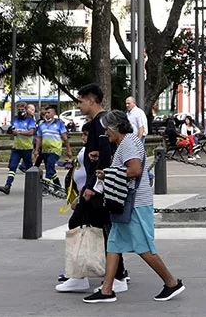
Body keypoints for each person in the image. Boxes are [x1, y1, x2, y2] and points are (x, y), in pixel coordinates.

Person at [82, 110, 184, 304]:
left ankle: (171, 283)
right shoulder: (127, 142)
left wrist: (107, 174)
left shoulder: (128, 143)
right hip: (129, 203)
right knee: (114, 244)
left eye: (107, 129)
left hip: (135, 203)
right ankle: (107, 290)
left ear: (115, 128)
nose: (105, 133)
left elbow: (135, 170)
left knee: (142, 246)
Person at [58, 83, 128, 294]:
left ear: (91, 100)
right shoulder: (96, 123)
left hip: (99, 188)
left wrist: (92, 187)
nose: (78, 105)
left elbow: (105, 156)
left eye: (80, 101)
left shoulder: (101, 122)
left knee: (96, 228)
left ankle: (115, 276)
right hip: (95, 186)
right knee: (92, 226)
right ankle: (83, 274)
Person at [0, 103, 37, 195]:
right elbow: (12, 129)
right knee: (12, 166)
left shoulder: (30, 120)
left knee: (29, 168)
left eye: (22, 110)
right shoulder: (15, 119)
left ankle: (34, 186)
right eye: (19, 110)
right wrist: (10, 131)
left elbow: (31, 132)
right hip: (16, 147)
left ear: (26, 110)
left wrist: (19, 132)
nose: (20, 112)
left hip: (27, 148)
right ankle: (8, 185)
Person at [36, 105, 66, 192]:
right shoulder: (42, 125)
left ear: (53, 113)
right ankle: (57, 185)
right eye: (45, 113)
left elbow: (65, 139)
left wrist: (69, 151)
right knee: (50, 168)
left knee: (49, 165)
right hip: (45, 150)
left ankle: (45, 186)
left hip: (55, 150)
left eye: (48, 113)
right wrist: (37, 150)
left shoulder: (59, 124)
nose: (46, 115)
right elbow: (39, 138)